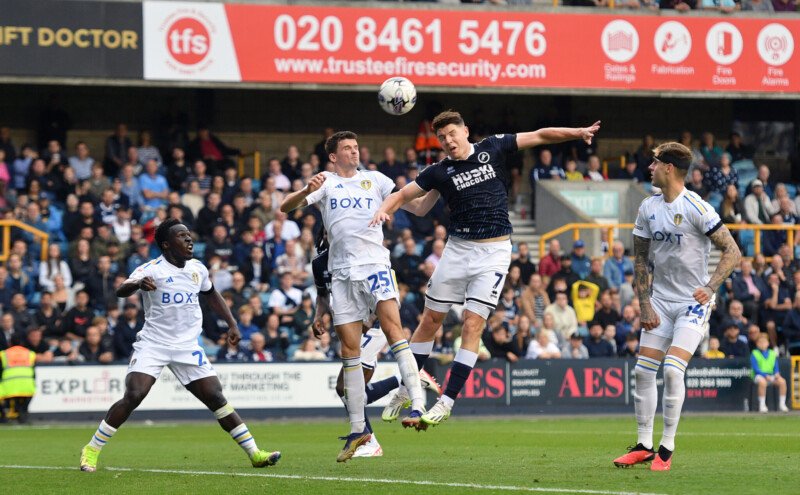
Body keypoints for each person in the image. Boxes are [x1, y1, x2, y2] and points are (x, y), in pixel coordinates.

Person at [371, 109, 600, 428]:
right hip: (457, 250)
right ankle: (406, 387)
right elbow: (406, 196)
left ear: (465, 131)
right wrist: (384, 209)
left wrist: (577, 132)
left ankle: (446, 401)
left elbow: (540, 134)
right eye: (442, 137)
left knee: (472, 324)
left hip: (493, 253)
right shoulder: (439, 171)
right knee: (429, 321)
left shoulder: (493, 147)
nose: (448, 140)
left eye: (452, 133)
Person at [79, 219, 280, 473]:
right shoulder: (152, 269)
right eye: (182, 236)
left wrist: (232, 324)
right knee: (134, 395)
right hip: (154, 343)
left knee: (216, 397)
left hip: (187, 346)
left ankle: (255, 453)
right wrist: (138, 284)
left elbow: (212, 295)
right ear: (166, 244)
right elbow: (121, 290)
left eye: (189, 235)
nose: (189, 240)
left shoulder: (197, 268)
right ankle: (92, 449)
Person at [280, 131, 432, 461]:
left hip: (374, 265)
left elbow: (417, 205)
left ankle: (418, 405)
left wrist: (436, 181)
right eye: (347, 148)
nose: (354, 151)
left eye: (356, 147)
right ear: (333, 156)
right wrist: (306, 189)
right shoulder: (325, 184)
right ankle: (358, 430)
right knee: (348, 350)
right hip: (341, 273)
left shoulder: (376, 179)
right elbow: (284, 206)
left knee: (394, 331)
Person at [613, 142, 740, 471]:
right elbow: (640, 258)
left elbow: (732, 251)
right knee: (642, 371)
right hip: (660, 300)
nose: (649, 167)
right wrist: (644, 304)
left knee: (672, 370)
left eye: (655, 163)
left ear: (669, 168)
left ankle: (666, 449)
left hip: (692, 303)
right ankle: (643, 445)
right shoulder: (648, 207)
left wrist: (710, 287)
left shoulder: (698, 208)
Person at [0, 334, 36, 424]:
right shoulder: (30, 354)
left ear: (10, 342)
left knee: (5, 399)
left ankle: (4, 417)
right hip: (28, 385)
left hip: (10, 385)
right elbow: (34, 371)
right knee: (23, 401)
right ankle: (22, 415)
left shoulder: (4, 354)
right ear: (23, 343)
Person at [751, 333, 789, 413]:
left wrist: (777, 373)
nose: (762, 344)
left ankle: (782, 404)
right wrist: (765, 375)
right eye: (760, 342)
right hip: (758, 376)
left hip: (771, 376)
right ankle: (762, 405)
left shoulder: (772, 353)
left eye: (764, 342)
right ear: (757, 344)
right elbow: (755, 368)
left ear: (768, 343)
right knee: (763, 382)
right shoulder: (754, 353)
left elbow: (776, 366)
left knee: (782, 382)